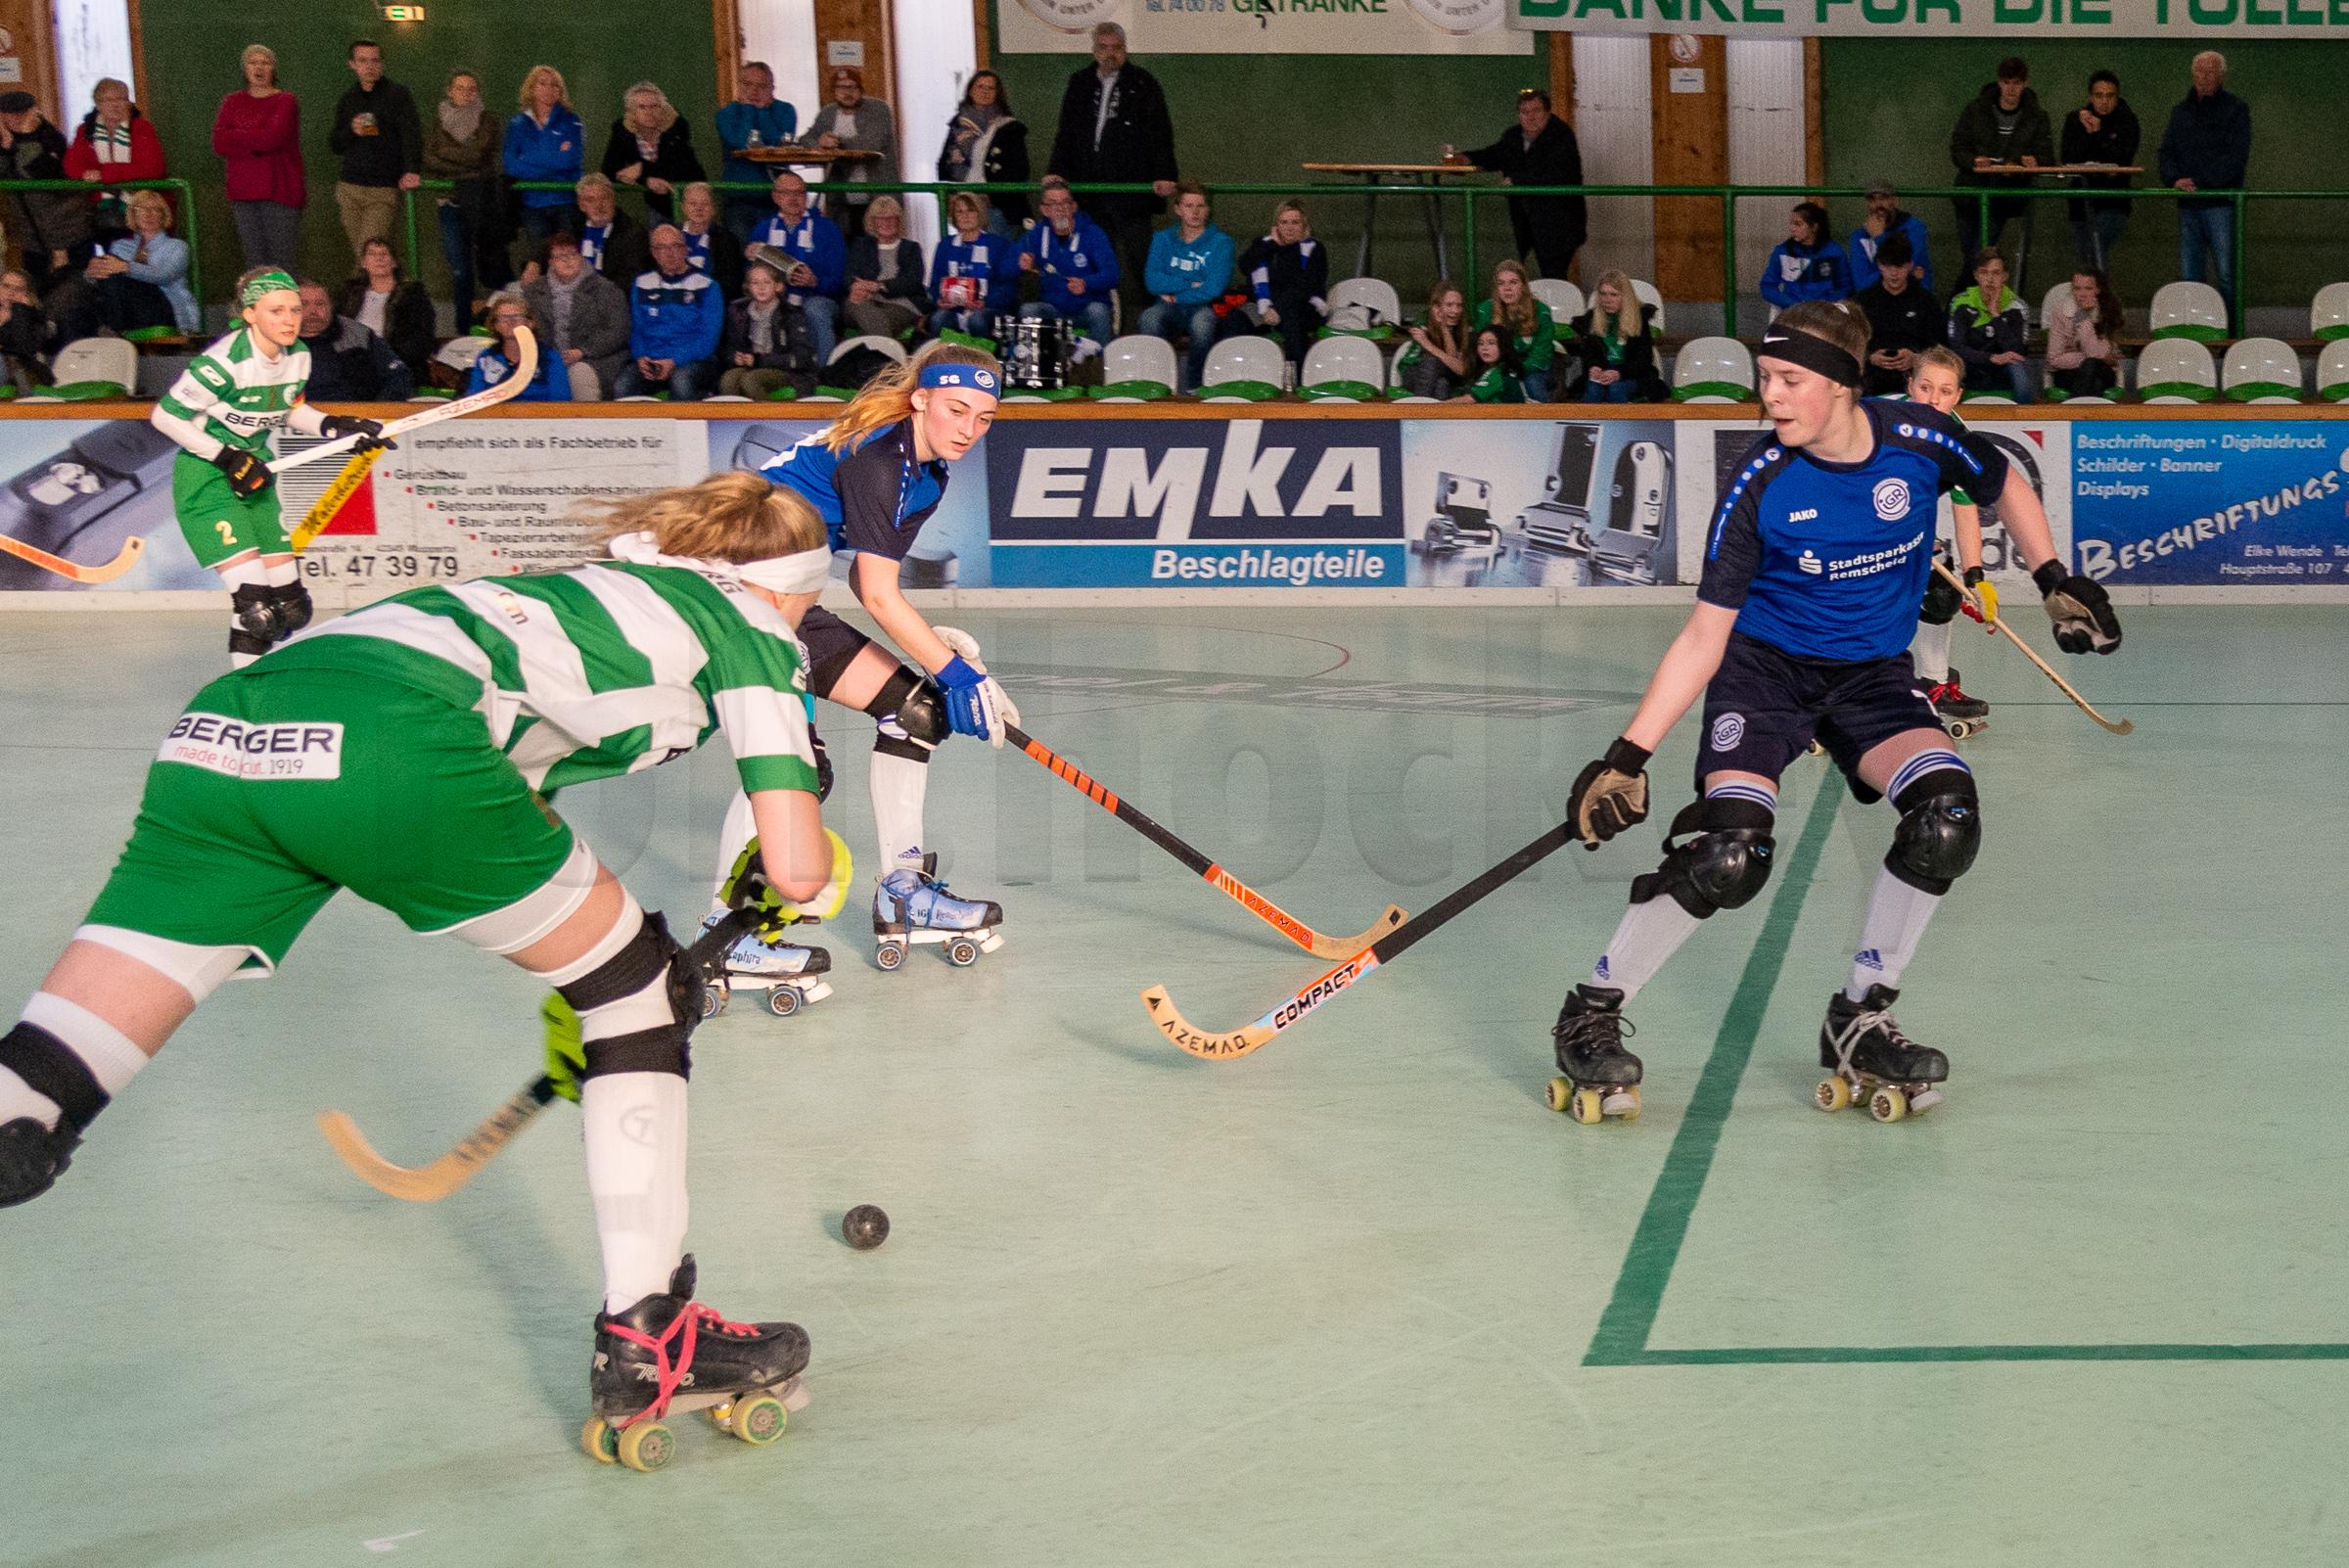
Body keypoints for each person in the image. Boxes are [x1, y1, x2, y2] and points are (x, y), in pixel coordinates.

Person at [0, 470, 843, 1463]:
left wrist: (580, 951)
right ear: (784, 585)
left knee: (47, 1073)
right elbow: (795, 866)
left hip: (226, 731)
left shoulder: (581, 590)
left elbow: (508, 777)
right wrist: (777, 884)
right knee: (639, 1001)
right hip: (394, 741)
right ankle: (648, 1335)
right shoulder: (748, 626)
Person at [1549, 300, 2121, 1127]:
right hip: (1763, 678)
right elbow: (1705, 637)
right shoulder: (1759, 482)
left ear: (1846, 386)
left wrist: (2054, 576)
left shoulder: (1921, 438)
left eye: (1789, 380)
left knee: (1946, 818)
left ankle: (1860, 1016)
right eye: (1764, 379)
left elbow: (2003, 482)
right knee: (1729, 855)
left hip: (1870, 683)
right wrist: (1626, 757)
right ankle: (1592, 1010)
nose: (1769, 396)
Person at [741, 340, 1010, 983]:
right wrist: (956, 672)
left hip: (787, 596)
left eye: (983, 417)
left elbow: (867, 583)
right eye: (955, 409)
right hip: (735, 593)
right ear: (920, 397)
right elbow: (883, 598)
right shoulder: (881, 458)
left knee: (913, 713)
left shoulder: (930, 470)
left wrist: (938, 661)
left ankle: (902, 889)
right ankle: (728, 934)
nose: (968, 430)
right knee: (794, 766)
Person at [149, 269, 387, 667]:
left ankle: (256, 678)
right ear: (249, 314)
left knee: (291, 607)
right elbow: (164, 417)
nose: (291, 319)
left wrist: (333, 425)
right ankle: (246, 694)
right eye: (276, 311)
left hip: (255, 476)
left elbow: (290, 409)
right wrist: (226, 457)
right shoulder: (223, 364)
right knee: (255, 604)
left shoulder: (298, 356)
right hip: (207, 478)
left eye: (294, 309)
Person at [1047, 22, 1177, 321]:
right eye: (1103, 48)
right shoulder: (1079, 82)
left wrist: (1165, 174)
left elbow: (1160, 133)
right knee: (1091, 259)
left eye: (1116, 48)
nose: (1110, 54)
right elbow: (1065, 132)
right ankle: (1099, 318)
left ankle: (1155, 321)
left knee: (1141, 258)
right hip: (1089, 189)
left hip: (1131, 189)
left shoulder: (1143, 83)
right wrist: (1055, 170)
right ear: (1094, 51)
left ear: (1125, 50)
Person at [1902, 346, 1995, 731]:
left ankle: (1934, 683)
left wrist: (1976, 579)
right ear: (1910, 386)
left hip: (1905, 522)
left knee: (1943, 590)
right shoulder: (1881, 420)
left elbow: (1965, 506)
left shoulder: (1957, 440)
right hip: (1846, 520)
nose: (1933, 399)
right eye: (1925, 388)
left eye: (1944, 391)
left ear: (1958, 396)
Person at [1451, 89, 1586, 281]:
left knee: (1553, 277)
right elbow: (1495, 155)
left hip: (1559, 224)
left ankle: (1558, 311)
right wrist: (1467, 158)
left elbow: (1556, 172)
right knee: (1523, 276)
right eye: (1524, 112)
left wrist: (1517, 181)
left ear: (1547, 112)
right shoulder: (1513, 136)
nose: (1530, 117)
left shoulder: (1562, 136)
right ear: (1518, 115)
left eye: (1536, 111)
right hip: (1525, 221)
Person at [2158, 51, 2251, 326]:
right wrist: (2174, 179)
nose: (2203, 77)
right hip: (2188, 205)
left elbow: (2236, 157)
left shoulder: (2236, 110)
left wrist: (2200, 182)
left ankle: (2233, 335)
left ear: (2222, 76)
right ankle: (2197, 334)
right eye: (2198, 71)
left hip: (2221, 203)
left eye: (2209, 72)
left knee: (2227, 274)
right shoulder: (2180, 112)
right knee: (2191, 277)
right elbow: (2166, 152)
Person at [49, 188, 197, 343]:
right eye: (142, 209)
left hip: (162, 308)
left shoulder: (177, 247)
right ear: (132, 213)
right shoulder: (121, 245)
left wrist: (126, 267)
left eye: (156, 209)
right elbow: (108, 278)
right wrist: (92, 272)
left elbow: (163, 275)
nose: (149, 214)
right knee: (75, 314)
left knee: (113, 266)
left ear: (164, 214)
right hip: (127, 310)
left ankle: (115, 329)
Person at [426, 69, 510, 326]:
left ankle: (495, 327)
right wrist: (467, 167)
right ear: (449, 91)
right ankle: (463, 330)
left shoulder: (488, 120)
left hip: (483, 204)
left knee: (490, 266)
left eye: (471, 88)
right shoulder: (436, 122)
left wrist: (447, 158)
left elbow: (478, 155)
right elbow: (429, 158)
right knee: (461, 271)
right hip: (449, 205)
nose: (466, 93)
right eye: (460, 88)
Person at [328, 40, 421, 261]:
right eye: (363, 60)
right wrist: (352, 130)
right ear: (352, 64)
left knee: (370, 253)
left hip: (382, 189)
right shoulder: (348, 99)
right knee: (365, 257)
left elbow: (412, 136)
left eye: (375, 60)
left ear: (382, 64)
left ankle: (368, 293)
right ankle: (377, 292)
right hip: (349, 188)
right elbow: (335, 144)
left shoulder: (398, 95)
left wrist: (412, 170)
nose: (369, 66)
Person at [1947, 57, 2051, 255]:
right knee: (1971, 257)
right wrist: (1973, 162)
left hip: (2004, 196)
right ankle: (1967, 286)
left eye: (2017, 83)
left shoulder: (2037, 116)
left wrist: (2033, 163)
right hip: (1970, 191)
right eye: (2006, 82)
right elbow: (1957, 148)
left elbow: (2047, 156)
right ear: (1999, 82)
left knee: (1979, 257)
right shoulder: (1975, 110)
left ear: (2025, 83)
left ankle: (1962, 287)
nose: (2011, 89)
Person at [214, 44, 304, 272]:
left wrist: (239, 138)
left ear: (273, 68)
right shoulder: (231, 102)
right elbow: (219, 141)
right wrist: (256, 138)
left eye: (265, 62)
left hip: (280, 191)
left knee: (282, 263)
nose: (259, 67)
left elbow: (272, 138)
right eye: (253, 62)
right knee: (254, 263)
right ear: (245, 69)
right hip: (243, 193)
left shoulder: (285, 100)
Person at [1136, 182, 1232, 392]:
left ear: (1208, 210)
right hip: (1167, 307)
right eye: (1189, 206)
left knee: (1202, 324)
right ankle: (1157, 384)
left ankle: (1196, 387)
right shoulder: (1162, 239)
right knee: (1149, 318)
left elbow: (1214, 288)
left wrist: (1177, 295)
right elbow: (1153, 281)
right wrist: (1190, 283)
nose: (1195, 212)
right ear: (1178, 209)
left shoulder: (1221, 242)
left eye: (1200, 206)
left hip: (1202, 306)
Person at [616, 224, 722, 400]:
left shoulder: (707, 286)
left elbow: (707, 339)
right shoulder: (641, 284)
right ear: (653, 252)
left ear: (685, 249)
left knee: (681, 381)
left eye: (675, 246)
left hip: (694, 361)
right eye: (662, 248)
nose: (669, 253)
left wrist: (674, 361)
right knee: (624, 385)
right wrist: (641, 356)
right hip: (652, 359)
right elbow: (637, 330)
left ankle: (687, 428)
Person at [750, 170, 846, 367]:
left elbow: (839, 281)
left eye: (800, 193)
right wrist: (750, 259)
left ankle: (825, 372)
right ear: (776, 197)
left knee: (815, 308)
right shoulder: (763, 229)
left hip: (818, 297)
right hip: (776, 298)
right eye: (787, 193)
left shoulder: (827, 229)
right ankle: (762, 367)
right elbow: (751, 277)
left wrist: (816, 282)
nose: (794, 199)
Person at [524, 229, 631, 399]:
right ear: (550, 262)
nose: (567, 261)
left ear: (581, 257)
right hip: (548, 357)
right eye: (560, 256)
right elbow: (525, 328)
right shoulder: (534, 292)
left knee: (579, 375)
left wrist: (583, 351)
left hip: (597, 358)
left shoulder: (607, 289)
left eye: (572, 254)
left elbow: (618, 330)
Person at [0, 93, 91, 291]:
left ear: (33, 112)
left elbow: (44, 173)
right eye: (9, 114)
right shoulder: (4, 141)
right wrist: (6, 148)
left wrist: (24, 138)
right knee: (36, 289)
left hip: (67, 230)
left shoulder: (51, 137)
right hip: (30, 236)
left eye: (22, 113)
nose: (16, 119)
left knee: (75, 288)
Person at [1018, 176, 1118, 354]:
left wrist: (1086, 283)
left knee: (1098, 311)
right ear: (1044, 209)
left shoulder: (1093, 233)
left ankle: (1102, 371)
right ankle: (1038, 371)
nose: (1060, 209)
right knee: (1028, 310)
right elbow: (1007, 263)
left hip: (1086, 307)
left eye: (1065, 203)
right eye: (1053, 204)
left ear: (1074, 206)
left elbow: (1112, 273)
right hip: (1054, 309)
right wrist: (1022, 263)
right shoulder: (1037, 233)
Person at [64, 77, 165, 250]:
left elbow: (151, 168)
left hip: (137, 208)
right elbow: (71, 165)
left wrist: (105, 174)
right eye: (109, 100)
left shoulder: (141, 128)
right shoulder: (86, 130)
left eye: (122, 99)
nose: (116, 105)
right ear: (97, 104)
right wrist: (85, 174)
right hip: (100, 211)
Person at [1228, 199, 1327, 369]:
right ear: (1276, 226)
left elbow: (1305, 287)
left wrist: (1277, 309)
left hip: (1299, 306)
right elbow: (1245, 266)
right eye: (1284, 222)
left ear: (1304, 225)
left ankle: (1294, 381)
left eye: (1295, 222)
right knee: (1235, 319)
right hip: (1262, 308)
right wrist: (1272, 245)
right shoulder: (1264, 245)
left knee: (1293, 320)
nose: (1289, 228)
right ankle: (1239, 374)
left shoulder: (1314, 249)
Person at [806, 66, 898, 241]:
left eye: (853, 87)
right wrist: (820, 141)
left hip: (875, 195)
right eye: (841, 87)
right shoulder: (828, 113)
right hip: (840, 199)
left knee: (875, 248)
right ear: (834, 91)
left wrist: (836, 142)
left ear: (861, 89)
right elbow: (807, 138)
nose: (848, 92)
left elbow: (872, 143)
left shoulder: (878, 109)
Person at [2060, 70, 2140, 272]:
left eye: (2110, 95)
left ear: (2117, 96)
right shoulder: (2075, 120)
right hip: (2080, 200)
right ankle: (2087, 300)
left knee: (2095, 248)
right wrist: (2087, 134)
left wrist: (2098, 133)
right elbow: (2068, 158)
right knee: (2083, 259)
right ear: (2090, 96)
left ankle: (2102, 300)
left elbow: (2122, 158)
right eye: (2099, 95)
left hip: (2113, 201)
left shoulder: (2128, 122)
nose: (2104, 101)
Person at [936, 69, 1029, 237]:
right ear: (971, 91)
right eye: (980, 86)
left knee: (996, 257)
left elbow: (1019, 170)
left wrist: (992, 194)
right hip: (965, 204)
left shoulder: (1010, 128)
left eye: (990, 88)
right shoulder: (957, 126)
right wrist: (950, 196)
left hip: (996, 207)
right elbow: (944, 164)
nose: (985, 91)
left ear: (998, 93)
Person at [1853, 234, 1945, 397]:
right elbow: (1851, 343)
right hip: (1872, 379)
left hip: (1914, 376)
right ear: (1880, 266)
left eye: (1899, 266)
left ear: (1910, 266)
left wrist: (1917, 359)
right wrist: (1869, 357)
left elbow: (1939, 346)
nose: (1893, 273)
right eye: (1888, 266)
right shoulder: (1863, 301)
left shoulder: (1926, 301)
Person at [715, 62, 798, 243]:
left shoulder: (786, 110)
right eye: (747, 84)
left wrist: (762, 112)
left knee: (778, 254)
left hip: (776, 199)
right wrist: (747, 109)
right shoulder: (726, 114)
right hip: (739, 198)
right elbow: (741, 143)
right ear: (739, 85)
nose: (753, 91)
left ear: (772, 87)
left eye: (761, 86)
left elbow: (779, 142)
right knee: (744, 252)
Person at [602, 81, 704, 226]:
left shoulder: (677, 127)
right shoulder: (621, 131)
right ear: (631, 113)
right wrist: (646, 179)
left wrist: (641, 169)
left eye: (654, 106)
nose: (649, 112)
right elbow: (609, 171)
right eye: (642, 107)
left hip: (688, 200)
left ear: (662, 109)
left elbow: (680, 168)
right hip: (655, 205)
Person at [296, 277, 414, 401]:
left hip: (357, 415)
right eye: (304, 304)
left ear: (330, 305)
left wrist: (377, 410)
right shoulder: (279, 341)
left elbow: (399, 376)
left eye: (320, 304)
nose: (313, 311)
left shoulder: (358, 335)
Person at [719, 251, 817, 399]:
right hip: (752, 366)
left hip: (787, 371)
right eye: (755, 283)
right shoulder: (737, 310)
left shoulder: (791, 314)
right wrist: (735, 357)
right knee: (729, 379)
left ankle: (766, 421)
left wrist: (759, 360)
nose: (761, 287)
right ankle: (738, 421)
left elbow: (802, 358)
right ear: (748, 287)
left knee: (750, 380)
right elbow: (728, 348)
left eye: (767, 282)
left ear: (778, 286)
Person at [506, 65, 585, 247]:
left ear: (560, 91)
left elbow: (570, 160)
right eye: (543, 83)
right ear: (532, 88)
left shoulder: (572, 121)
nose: (549, 89)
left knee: (568, 257)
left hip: (566, 202)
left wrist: (527, 157)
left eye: (554, 85)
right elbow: (511, 164)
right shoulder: (517, 124)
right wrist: (555, 157)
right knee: (539, 262)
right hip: (532, 205)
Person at [338, 238, 436, 383]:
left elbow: (421, 340)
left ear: (394, 262)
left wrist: (386, 357)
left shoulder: (413, 295)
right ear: (363, 262)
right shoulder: (350, 293)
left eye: (384, 253)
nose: (379, 258)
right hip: (355, 364)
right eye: (372, 254)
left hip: (396, 366)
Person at [1561, 270, 1665, 402]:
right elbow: (1589, 354)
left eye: (1613, 295)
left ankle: (1624, 422)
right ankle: (1586, 421)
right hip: (1603, 372)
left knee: (1616, 389)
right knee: (1593, 389)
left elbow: (1643, 360)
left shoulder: (1639, 320)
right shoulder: (1592, 320)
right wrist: (1594, 367)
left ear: (1625, 296)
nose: (1607, 300)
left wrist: (1619, 373)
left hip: (1632, 374)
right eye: (1603, 294)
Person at [928, 191, 1016, 345]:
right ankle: (944, 365)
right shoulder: (945, 245)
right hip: (954, 309)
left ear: (980, 214)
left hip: (990, 308)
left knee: (977, 319)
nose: (965, 216)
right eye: (959, 212)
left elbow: (1009, 287)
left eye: (970, 210)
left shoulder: (1000, 245)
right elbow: (935, 284)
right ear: (954, 217)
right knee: (938, 319)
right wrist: (939, 300)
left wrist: (985, 302)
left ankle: (985, 363)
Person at [1946, 247, 2031, 402]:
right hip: (1971, 364)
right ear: (1976, 275)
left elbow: (2018, 350)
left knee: (2020, 372)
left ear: (2005, 276)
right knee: (1951, 368)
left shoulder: (2017, 306)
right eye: (1984, 272)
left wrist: (1995, 314)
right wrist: (1990, 357)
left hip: (2004, 368)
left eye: (1996, 273)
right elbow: (1957, 347)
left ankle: (2023, 422)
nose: (1990, 279)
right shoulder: (1961, 302)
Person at [843, 195, 928, 342]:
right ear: (873, 221)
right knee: (858, 304)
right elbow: (848, 275)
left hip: (901, 304)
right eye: (881, 218)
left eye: (891, 217)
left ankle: (881, 360)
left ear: (899, 220)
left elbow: (912, 282)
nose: (886, 222)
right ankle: (892, 359)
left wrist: (878, 286)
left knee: (873, 324)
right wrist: (856, 286)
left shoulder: (911, 248)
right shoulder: (860, 245)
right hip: (863, 300)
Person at [1473, 258, 1557, 401]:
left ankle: (1544, 419)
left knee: (1532, 384)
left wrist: (1514, 371)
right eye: (1501, 283)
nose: (1507, 288)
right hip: (1496, 366)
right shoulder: (1484, 310)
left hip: (1532, 368)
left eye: (1513, 282)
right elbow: (1481, 347)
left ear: (1523, 286)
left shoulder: (1541, 312)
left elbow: (1541, 354)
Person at [466, 289, 567, 401]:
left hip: (539, 416)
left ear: (530, 323)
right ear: (496, 325)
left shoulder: (550, 356)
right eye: (503, 318)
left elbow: (561, 399)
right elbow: (475, 398)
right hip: (497, 416)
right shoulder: (485, 358)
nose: (511, 322)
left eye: (517, 317)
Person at [2045, 266, 2124, 399]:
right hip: (2068, 373)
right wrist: (2089, 357)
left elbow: (2095, 356)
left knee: (2091, 365)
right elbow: (2054, 358)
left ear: (2097, 290)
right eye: (2077, 288)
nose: (2082, 294)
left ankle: (2072, 416)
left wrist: (2083, 318)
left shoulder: (2107, 310)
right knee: (2095, 383)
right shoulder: (2060, 311)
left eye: (2088, 288)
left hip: (2103, 371)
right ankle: (2088, 418)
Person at [1846, 181, 1933, 297]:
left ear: (1895, 201)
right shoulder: (1859, 236)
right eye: (1872, 200)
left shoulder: (1914, 228)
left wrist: (1879, 237)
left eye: (1883, 198)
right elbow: (1861, 284)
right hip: (1875, 300)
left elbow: (1903, 265)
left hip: (1913, 297)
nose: (1878, 205)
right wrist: (1906, 273)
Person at [1763, 203, 1851, 313]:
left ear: (1814, 227)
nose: (1792, 228)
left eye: (1798, 224)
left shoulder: (1834, 252)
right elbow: (1767, 286)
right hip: (1792, 311)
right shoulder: (1783, 252)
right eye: (1791, 224)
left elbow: (1844, 285)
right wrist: (1789, 303)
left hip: (1825, 312)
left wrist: (1827, 304)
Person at [571, 173, 653, 288]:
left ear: (613, 198)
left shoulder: (632, 233)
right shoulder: (572, 231)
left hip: (613, 298)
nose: (599, 205)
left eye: (604, 198)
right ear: (581, 204)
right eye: (591, 200)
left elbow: (631, 277)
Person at [1395, 280, 1470, 399]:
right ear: (1436, 307)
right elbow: (1428, 363)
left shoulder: (1464, 329)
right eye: (1449, 305)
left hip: (1450, 375)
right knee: (1434, 367)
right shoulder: (1423, 321)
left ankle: (1423, 415)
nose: (1455, 311)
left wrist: (1443, 329)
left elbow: (1457, 367)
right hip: (1415, 371)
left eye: (1459, 305)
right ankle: (1422, 411)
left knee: (1442, 384)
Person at [676, 182, 745, 302]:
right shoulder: (671, 235)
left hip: (711, 302)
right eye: (693, 204)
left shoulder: (726, 239)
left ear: (713, 209)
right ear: (683, 208)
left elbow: (731, 284)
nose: (699, 208)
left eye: (705, 204)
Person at [0, 270, 54, 390]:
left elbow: (24, 349)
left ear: (27, 295)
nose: (11, 292)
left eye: (18, 289)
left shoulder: (35, 317)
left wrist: (21, 312)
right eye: (6, 286)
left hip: (22, 369)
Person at [1454, 325, 1524, 404]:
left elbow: (1468, 400)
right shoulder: (1505, 369)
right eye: (1480, 343)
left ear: (1503, 346)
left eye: (1491, 343)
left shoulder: (1498, 372)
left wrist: (1438, 405)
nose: (1484, 348)